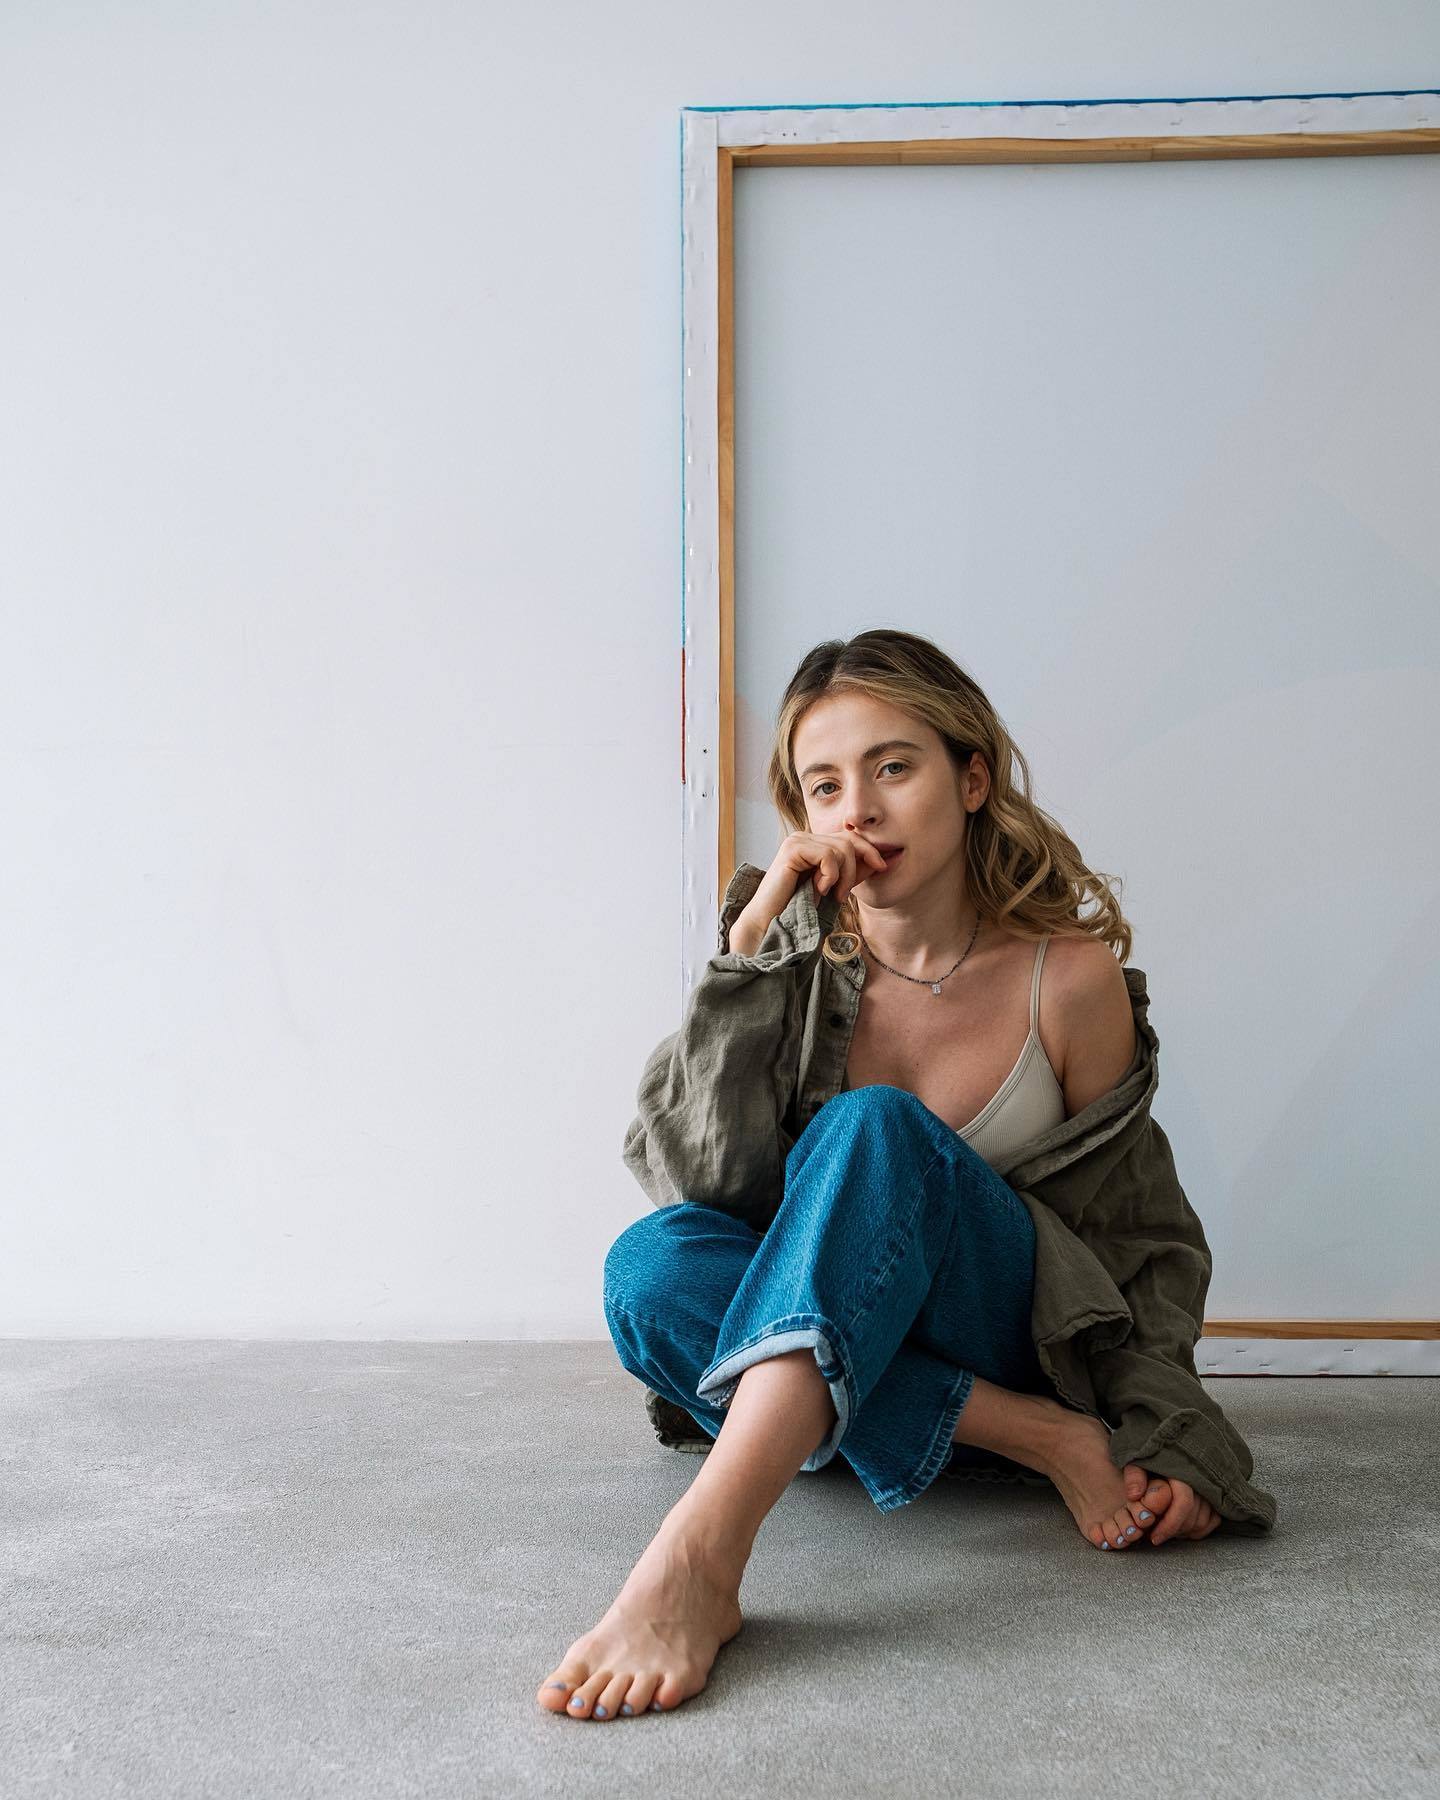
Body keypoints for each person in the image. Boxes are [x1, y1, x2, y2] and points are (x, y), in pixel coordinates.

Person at [537, 628, 1275, 1723]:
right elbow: (699, 1187)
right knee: (649, 1274)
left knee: (875, 1126)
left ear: (971, 779)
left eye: (893, 767)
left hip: (1005, 1320)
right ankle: (1024, 1436)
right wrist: (752, 948)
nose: (859, 811)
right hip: (865, 1329)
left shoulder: (1068, 982)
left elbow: (1142, 1242)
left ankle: (700, 1553)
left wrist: (1175, 1439)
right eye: (825, 786)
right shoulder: (791, 966)